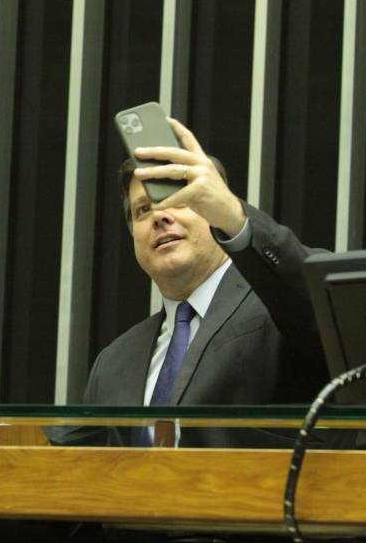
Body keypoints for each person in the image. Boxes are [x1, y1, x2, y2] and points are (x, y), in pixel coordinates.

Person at [81, 118, 331, 448]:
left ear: (215, 210)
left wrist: (234, 217)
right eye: (143, 210)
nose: (160, 216)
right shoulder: (113, 361)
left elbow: (327, 311)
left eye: (179, 200)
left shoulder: (280, 306)